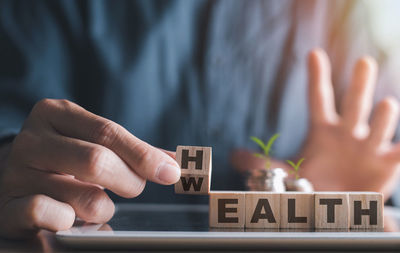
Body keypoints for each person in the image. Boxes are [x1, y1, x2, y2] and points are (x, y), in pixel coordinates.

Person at [0, 0, 400, 238]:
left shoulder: (348, 16)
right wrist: (11, 162)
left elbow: (385, 176)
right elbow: (15, 124)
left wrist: (348, 206)